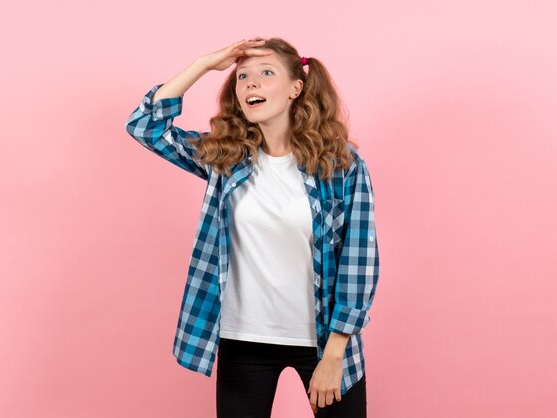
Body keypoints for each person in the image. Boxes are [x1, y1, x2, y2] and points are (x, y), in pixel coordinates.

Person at [124, 37, 380, 418]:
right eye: (242, 76)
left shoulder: (341, 166)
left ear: (297, 88)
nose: (251, 83)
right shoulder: (225, 159)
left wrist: (334, 354)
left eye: (266, 73)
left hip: (324, 342)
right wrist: (204, 63)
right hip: (243, 339)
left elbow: (358, 260)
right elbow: (144, 126)